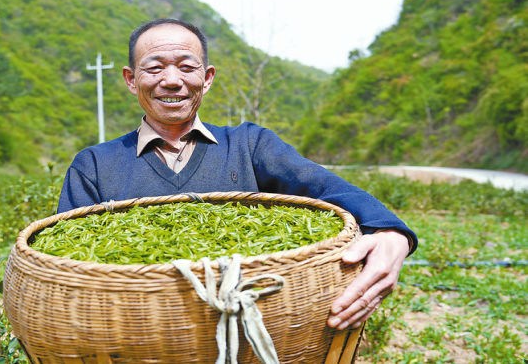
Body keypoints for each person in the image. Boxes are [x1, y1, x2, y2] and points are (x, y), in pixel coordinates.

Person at [57, 18, 417, 331]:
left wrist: (390, 232)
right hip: (140, 335)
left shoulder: (249, 143)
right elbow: (66, 265)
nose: (171, 80)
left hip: (251, 329)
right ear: (131, 80)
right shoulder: (95, 165)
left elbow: (323, 186)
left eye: (186, 66)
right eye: (154, 69)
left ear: (207, 78)